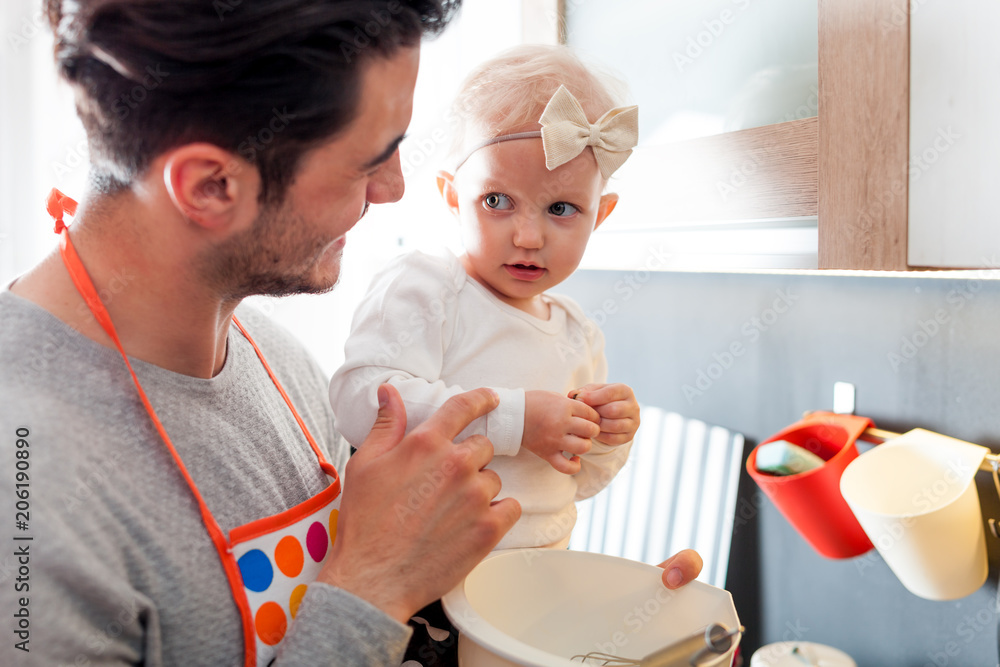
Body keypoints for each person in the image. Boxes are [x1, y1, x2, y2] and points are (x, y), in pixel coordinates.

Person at [0, 2, 703, 665]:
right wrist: (372, 592)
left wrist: (591, 617)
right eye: (372, 158)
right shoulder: (29, 496)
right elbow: (381, 579)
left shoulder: (283, 363)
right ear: (212, 186)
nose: (396, 187)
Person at [330, 45, 640, 552]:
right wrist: (516, 421)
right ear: (453, 196)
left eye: (561, 207)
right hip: (425, 585)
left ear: (599, 215)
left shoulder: (577, 334)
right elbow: (361, 404)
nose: (527, 237)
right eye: (497, 201)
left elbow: (576, 482)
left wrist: (607, 438)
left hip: (536, 586)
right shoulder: (428, 289)